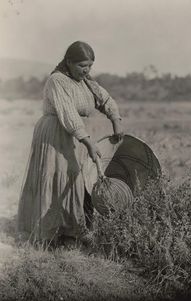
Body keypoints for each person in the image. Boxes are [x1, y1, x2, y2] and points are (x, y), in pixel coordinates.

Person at [17, 41, 123, 248]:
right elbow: (68, 114)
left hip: (76, 135)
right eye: (82, 65)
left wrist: (116, 120)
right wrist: (88, 142)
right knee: (59, 175)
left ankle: (73, 230)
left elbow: (106, 99)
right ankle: (51, 232)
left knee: (77, 178)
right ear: (68, 62)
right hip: (57, 133)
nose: (86, 70)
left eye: (90, 66)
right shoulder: (57, 80)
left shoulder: (87, 83)